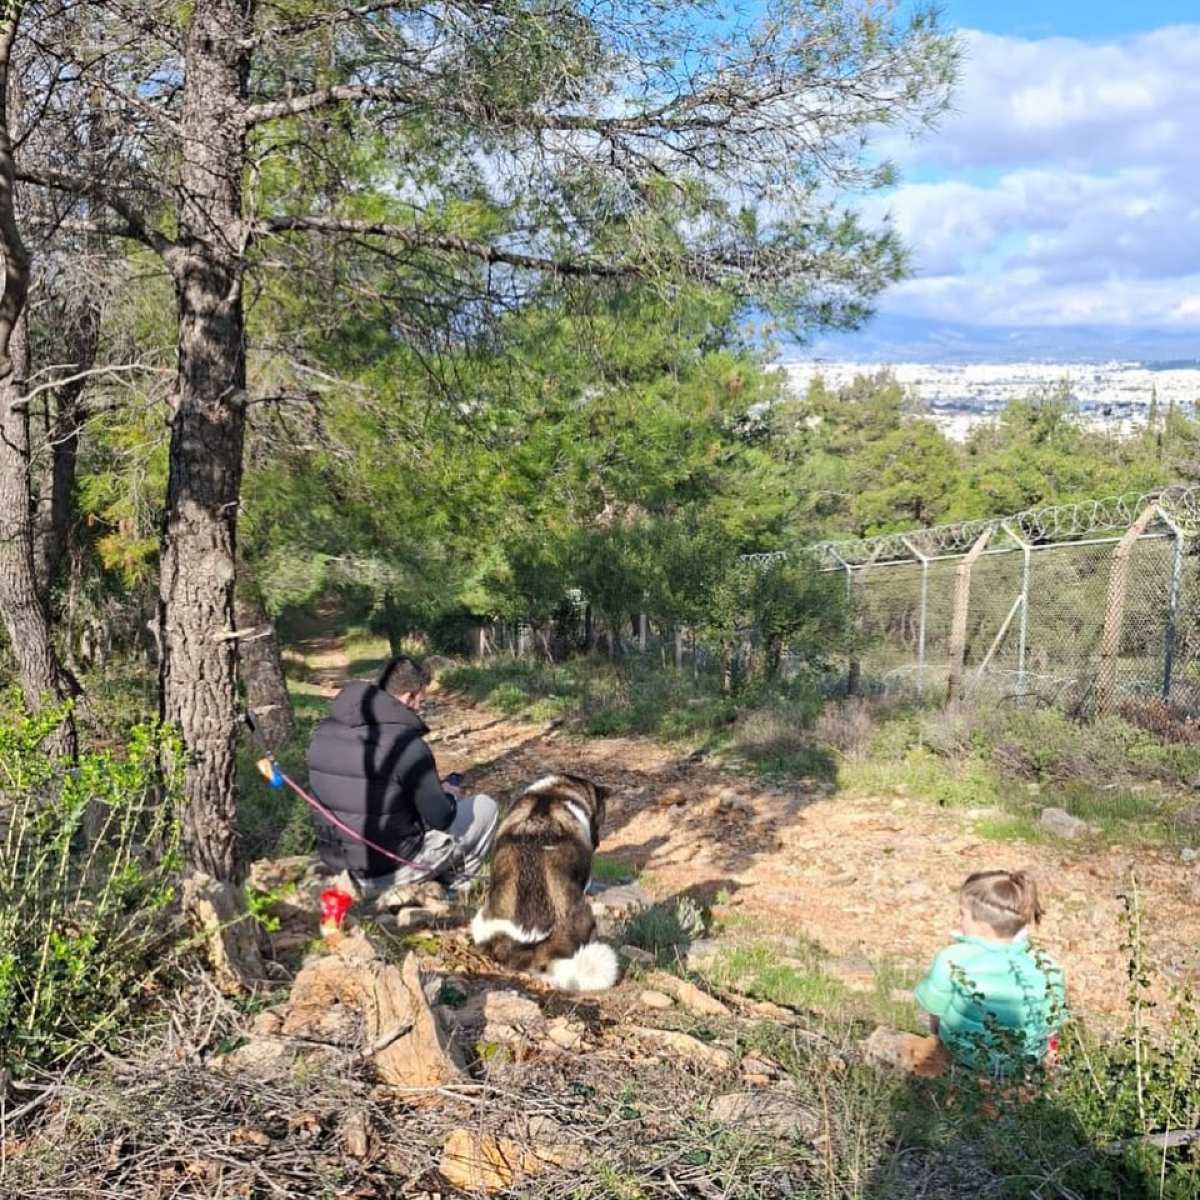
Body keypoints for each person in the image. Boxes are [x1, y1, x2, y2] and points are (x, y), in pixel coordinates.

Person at [306, 655, 498, 902]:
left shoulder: (325, 730)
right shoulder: (407, 745)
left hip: (337, 864)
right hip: (388, 871)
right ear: (410, 696)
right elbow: (441, 818)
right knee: (485, 807)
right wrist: (448, 795)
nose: (420, 707)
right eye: (422, 700)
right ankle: (450, 894)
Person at [915, 869, 1066, 1076]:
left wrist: (937, 1037)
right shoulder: (1048, 965)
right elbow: (1052, 1026)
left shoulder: (953, 958)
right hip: (1023, 1062)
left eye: (963, 914)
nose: (960, 920)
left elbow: (935, 1011)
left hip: (965, 1056)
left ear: (982, 926)